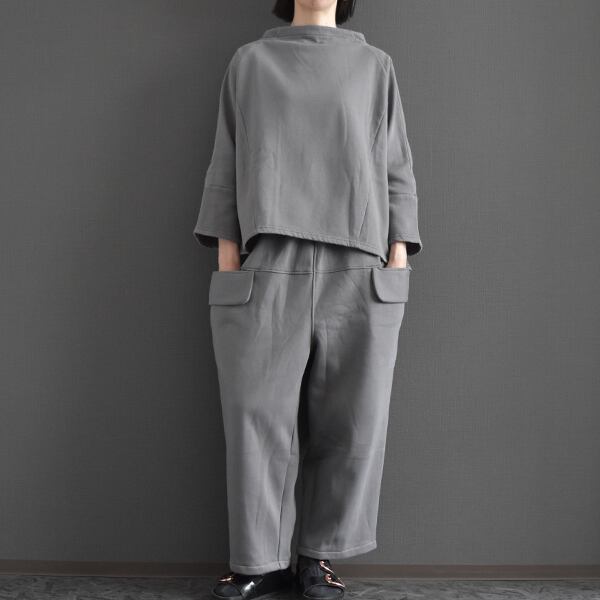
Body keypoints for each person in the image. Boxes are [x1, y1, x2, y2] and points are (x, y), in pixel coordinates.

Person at [193, 1, 422, 598]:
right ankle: (258, 562)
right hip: (267, 262)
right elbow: (227, 159)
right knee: (256, 423)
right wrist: (228, 259)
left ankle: (317, 558)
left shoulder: (375, 66)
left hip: (359, 266)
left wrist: (399, 252)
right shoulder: (250, 63)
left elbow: (396, 163)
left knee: (352, 422)